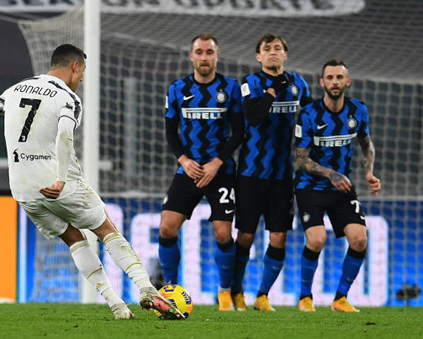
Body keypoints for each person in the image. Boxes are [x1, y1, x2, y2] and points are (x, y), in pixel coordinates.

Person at [0, 44, 184, 320]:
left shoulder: (16, 89)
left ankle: (117, 306)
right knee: (107, 230)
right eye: (83, 72)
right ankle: (146, 288)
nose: (82, 79)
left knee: (73, 238)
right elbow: (64, 134)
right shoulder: (67, 98)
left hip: (23, 188)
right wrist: (61, 180)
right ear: (74, 66)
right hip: (58, 183)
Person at [158, 33, 244, 311]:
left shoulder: (231, 88)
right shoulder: (177, 89)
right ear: (191, 56)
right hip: (189, 170)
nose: (204, 57)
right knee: (167, 228)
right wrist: (183, 160)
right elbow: (171, 132)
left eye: (209, 52)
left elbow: (239, 131)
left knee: (222, 234)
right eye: (199, 52)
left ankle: (224, 293)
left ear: (217, 56)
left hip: (220, 170)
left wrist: (217, 162)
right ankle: (170, 290)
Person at [232, 33, 312, 311]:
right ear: (258, 56)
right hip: (252, 173)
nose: (273, 52)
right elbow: (253, 116)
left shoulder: (299, 84)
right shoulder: (249, 83)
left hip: (283, 175)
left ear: (285, 54)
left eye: (278, 48)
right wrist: (272, 90)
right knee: (246, 235)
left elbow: (312, 119)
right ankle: (236, 291)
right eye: (267, 49)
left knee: (279, 236)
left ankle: (263, 295)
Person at [294, 59, 381, 312]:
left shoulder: (357, 110)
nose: (334, 82)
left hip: (341, 188)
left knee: (359, 240)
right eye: (329, 78)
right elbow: (300, 159)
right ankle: (304, 298)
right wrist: (330, 173)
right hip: (310, 187)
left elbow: (366, 143)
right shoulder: (309, 113)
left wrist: (369, 173)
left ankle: (340, 299)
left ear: (347, 82)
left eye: (339, 78)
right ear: (322, 82)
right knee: (317, 239)